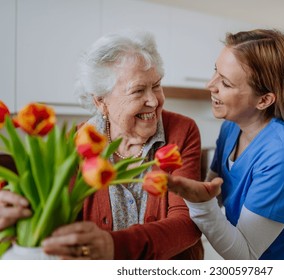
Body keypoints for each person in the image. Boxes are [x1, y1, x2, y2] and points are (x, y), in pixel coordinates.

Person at [0, 31, 204, 259]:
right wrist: (21, 211)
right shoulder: (76, 143)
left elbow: (188, 222)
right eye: (138, 90)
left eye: (156, 86)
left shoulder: (182, 130)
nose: (154, 100)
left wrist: (113, 246)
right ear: (101, 102)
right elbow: (55, 217)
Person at [167, 29, 284, 260]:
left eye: (225, 83)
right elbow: (213, 190)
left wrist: (200, 203)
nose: (210, 85)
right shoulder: (231, 127)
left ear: (264, 100)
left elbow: (245, 255)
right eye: (215, 70)